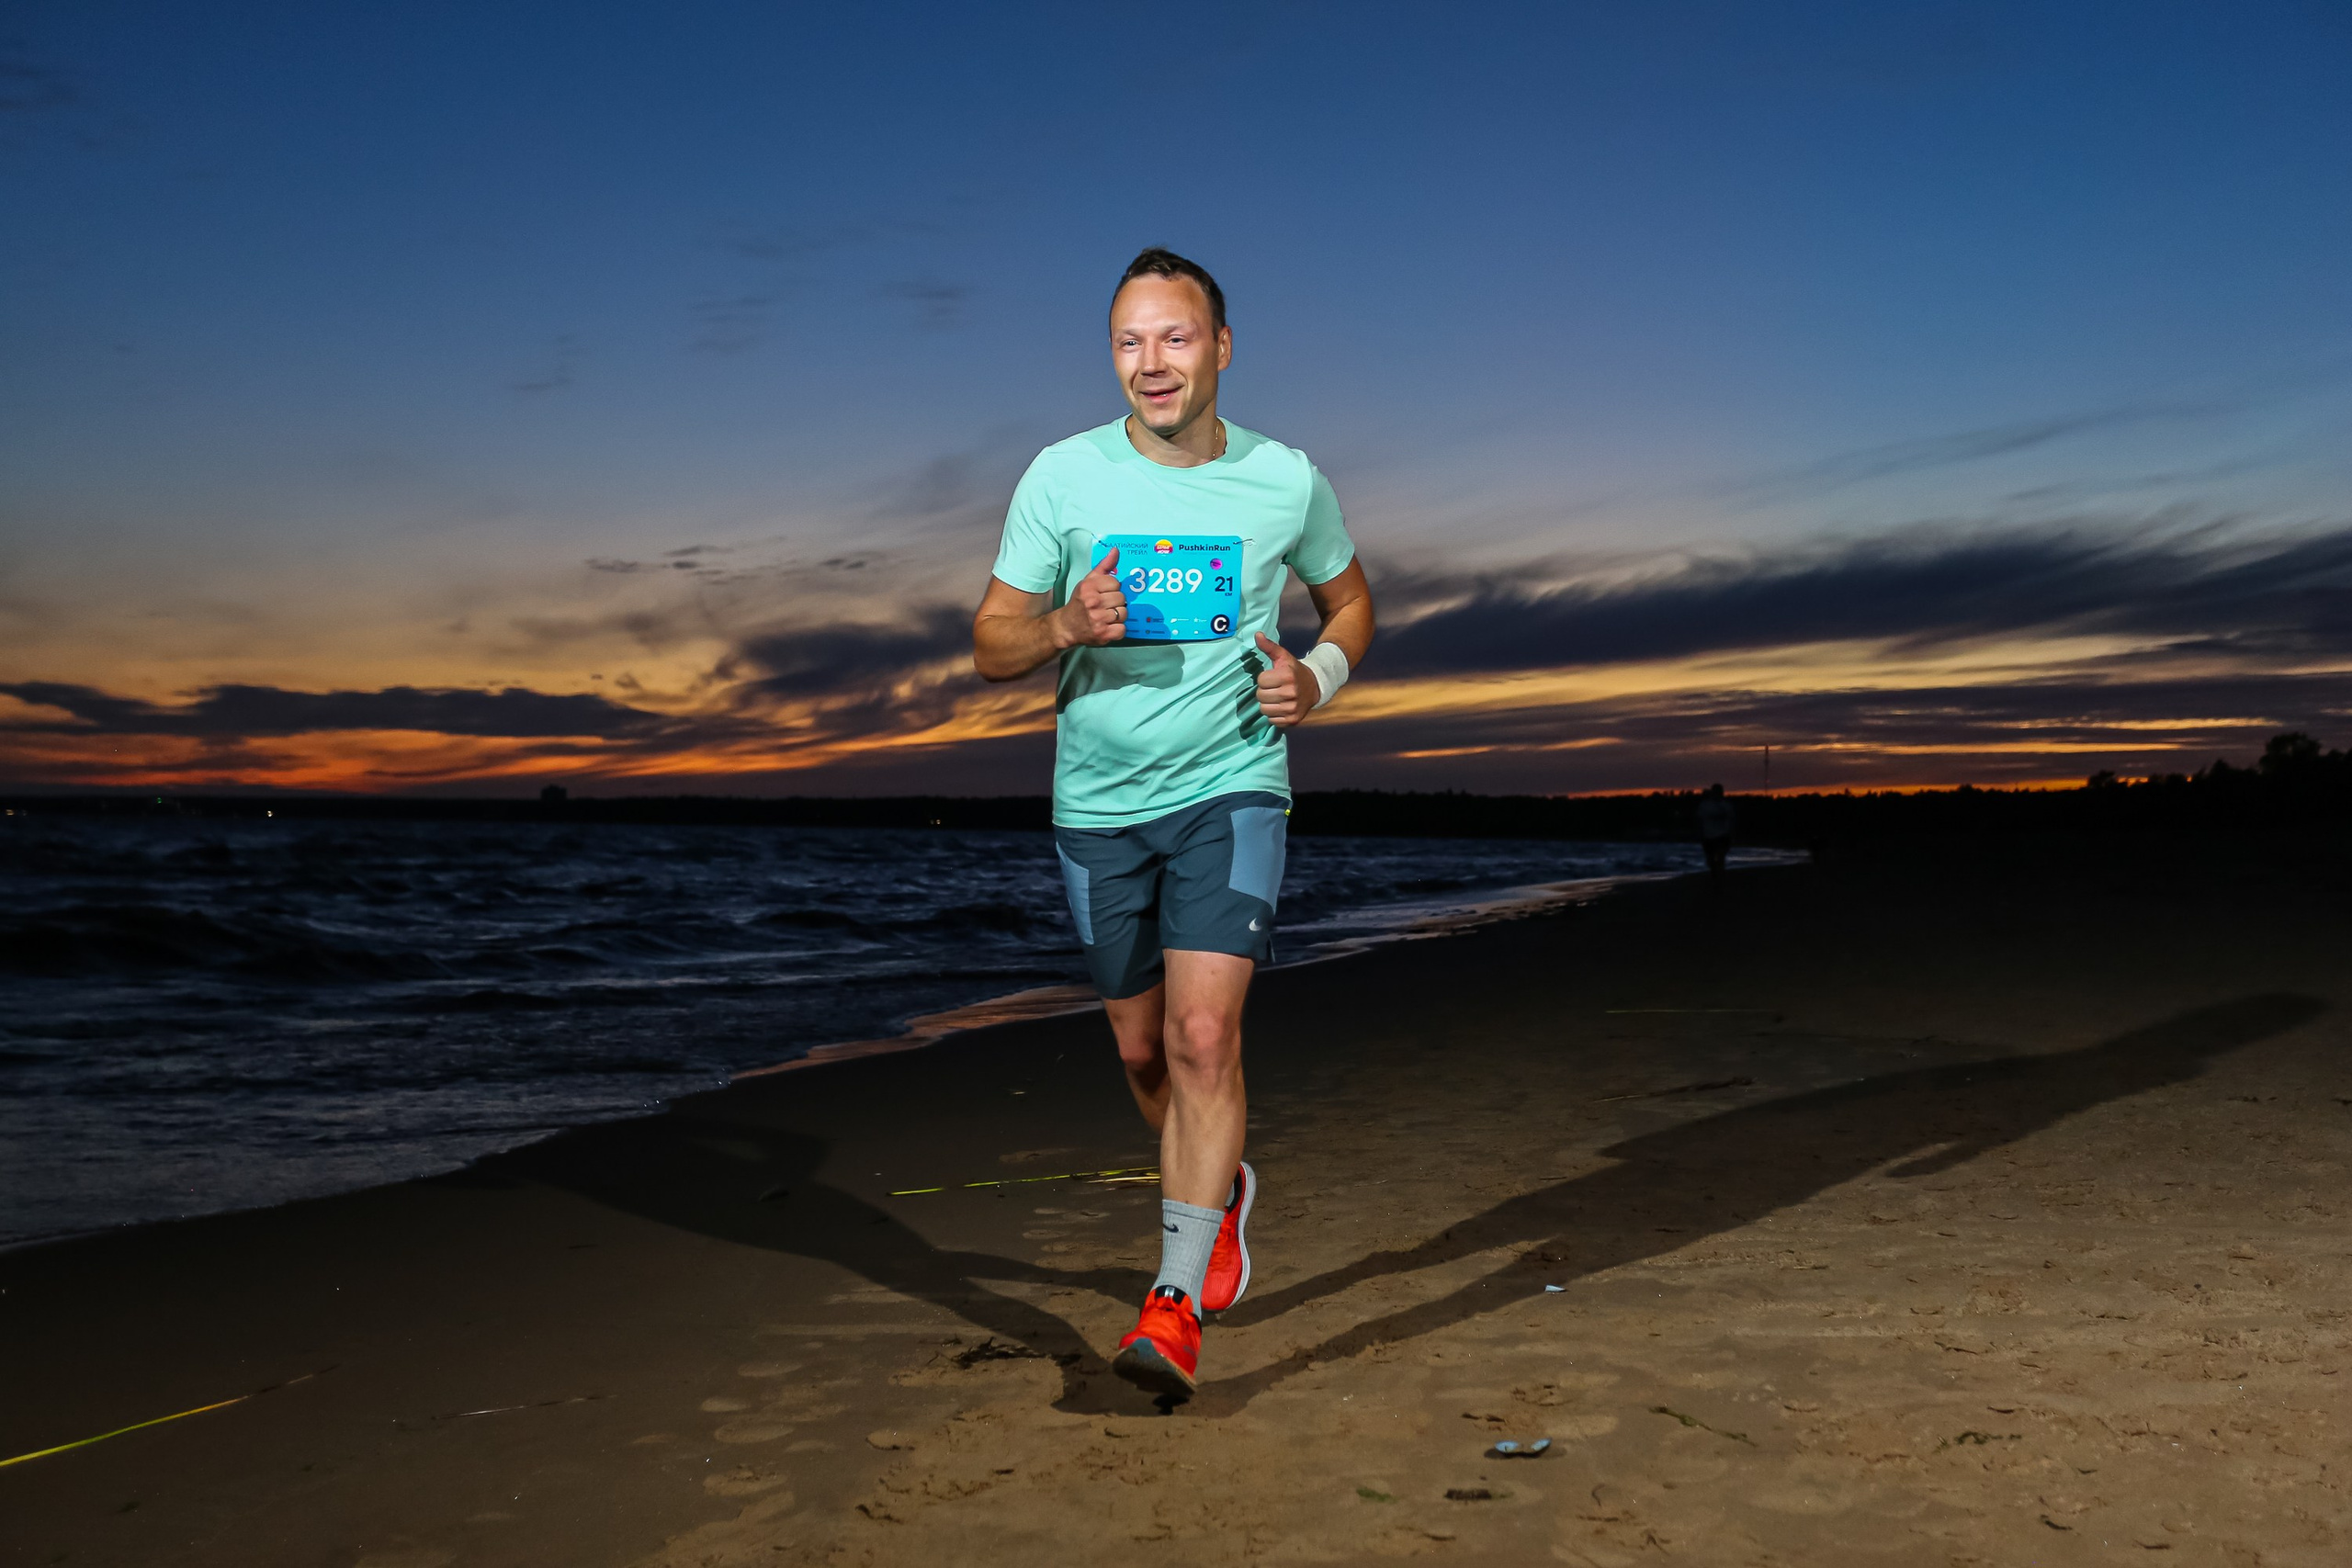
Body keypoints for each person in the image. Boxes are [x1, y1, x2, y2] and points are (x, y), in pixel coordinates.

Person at [971, 248, 1374, 1400]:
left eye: (1175, 337)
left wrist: (1322, 677)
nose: (1151, 363)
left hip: (1232, 788)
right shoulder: (1059, 477)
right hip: (1098, 808)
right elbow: (990, 642)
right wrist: (1061, 625)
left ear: (1221, 348)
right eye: (1129, 342)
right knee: (1145, 1054)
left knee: (1205, 1041)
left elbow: (1349, 601)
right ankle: (1224, 1191)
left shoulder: (1285, 481)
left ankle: (1174, 1300)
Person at [1697, 783, 1734, 888]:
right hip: (1708, 837)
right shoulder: (1704, 805)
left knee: (1721, 858)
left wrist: (1732, 834)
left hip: (1723, 836)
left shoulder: (1727, 805)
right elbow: (1699, 821)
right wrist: (1700, 834)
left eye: (1720, 792)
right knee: (1711, 861)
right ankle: (1715, 877)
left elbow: (1732, 820)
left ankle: (1720, 882)